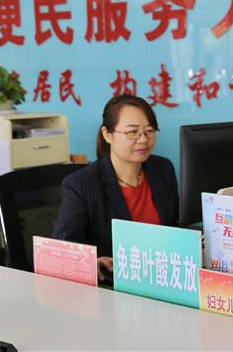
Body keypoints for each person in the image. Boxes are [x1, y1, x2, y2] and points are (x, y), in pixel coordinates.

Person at [53, 95, 179, 282]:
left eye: (149, 131)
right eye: (132, 132)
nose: (143, 139)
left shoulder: (162, 169)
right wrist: (90, 262)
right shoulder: (81, 184)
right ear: (107, 134)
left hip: (163, 277)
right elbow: (64, 247)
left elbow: (175, 225)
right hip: (113, 285)